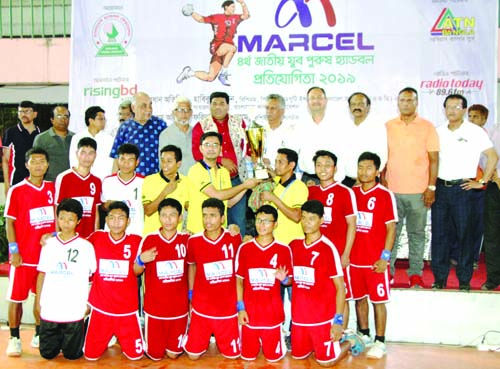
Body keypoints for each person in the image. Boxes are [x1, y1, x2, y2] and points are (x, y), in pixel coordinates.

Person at [431, 94, 498, 291]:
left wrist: (482, 181)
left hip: (464, 189)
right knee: (440, 235)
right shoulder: (437, 132)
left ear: (464, 110)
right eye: (448, 107)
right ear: (444, 109)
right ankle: (439, 278)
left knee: (465, 236)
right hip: (441, 188)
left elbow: (493, 156)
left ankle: (464, 279)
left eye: (456, 107)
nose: (452, 110)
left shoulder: (475, 131)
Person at [290, 200, 364, 366]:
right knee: (298, 357)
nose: (306, 223)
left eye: (311, 218)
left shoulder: (328, 249)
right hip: (300, 319)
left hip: (322, 319)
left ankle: (349, 341)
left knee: (325, 363)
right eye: (304, 218)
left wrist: (337, 322)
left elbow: (341, 288)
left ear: (321, 221)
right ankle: (320, 344)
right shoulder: (294, 246)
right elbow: (289, 280)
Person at [4, 147, 56, 357]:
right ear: (26, 165)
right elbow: (9, 223)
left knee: (41, 299)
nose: (38, 165)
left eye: (42, 161)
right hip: (23, 258)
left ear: (47, 164)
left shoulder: (52, 188)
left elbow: (58, 219)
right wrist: (14, 251)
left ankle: (38, 333)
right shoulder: (17, 190)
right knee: (16, 298)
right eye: (33, 161)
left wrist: (52, 234)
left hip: (45, 258)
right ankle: (14, 338)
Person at [385, 87, 439, 288]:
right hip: (392, 192)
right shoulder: (389, 126)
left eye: (410, 100)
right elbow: (383, 158)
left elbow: (434, 159)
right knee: (391, 235)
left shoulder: (427, 127)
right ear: (398, 102)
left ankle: (415, 273)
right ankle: (387, 272)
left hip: (419, 192)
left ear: (417, 103)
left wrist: (431, 187)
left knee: (417, 234)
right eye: (402, 100)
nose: (406, 104)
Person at [84, 201, 146, 360]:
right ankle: (106, 335)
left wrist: (140, 261)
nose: (116, 222)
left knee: (136, 356)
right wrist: (54, 236)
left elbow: (138, 271)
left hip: (127, 309)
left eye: (121, 218)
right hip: (100, 309)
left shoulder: (137, 241)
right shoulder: (96, 237)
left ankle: (117, 335)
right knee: (90, 356)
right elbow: (74, 243)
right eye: (112, 218)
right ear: (106, 220)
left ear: (128, 221)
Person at [35, 198, 96, 360]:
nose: (66, 223)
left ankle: (83, 331)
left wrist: (88, 303)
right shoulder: (48, 244)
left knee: (72, 355)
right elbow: (42, 274)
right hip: (51, 306)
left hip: (74, 308)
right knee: (47, 354)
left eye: (71, 219)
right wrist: (38, 301)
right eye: (62, 218)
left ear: (78, 221)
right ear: (57, 219)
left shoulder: (86, 246)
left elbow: (93, 278)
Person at [351, 152, 397, 359]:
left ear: (377, 171)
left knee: (378, 301)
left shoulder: (385, 195)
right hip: (355, 260)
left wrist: (384, 257)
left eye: (368, 168)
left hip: (375, 261)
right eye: (360, 167)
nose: (364, 172)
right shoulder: (352, 193)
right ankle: (365, 334)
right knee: (359, 299)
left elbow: (391, 229)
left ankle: (380, 340)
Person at [184, 198, 242, 359]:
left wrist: (240, 303)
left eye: (212, 215)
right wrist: (191, 293)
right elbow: (192, 266)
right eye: (204, 215)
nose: (207, 220)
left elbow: (240, 272)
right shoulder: (194, 241)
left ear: (223, 218)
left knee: (232, 357)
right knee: (192, 356)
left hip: (227, 307)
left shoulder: (234, 237)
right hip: (202, 306)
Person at [235, 205, 292, 362]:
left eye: (267, 221)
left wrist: (285, 279)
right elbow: (239, 280)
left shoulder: (283, 249)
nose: (262, 224)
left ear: (275, 224)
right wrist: (241, 309)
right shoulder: (245, 248)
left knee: (274, 359)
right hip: (249, 315)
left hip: (272, 315)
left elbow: (290, 281)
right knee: (247, 358)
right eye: (259, 220)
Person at [308, 150, 357, 329]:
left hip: (338, 254)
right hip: (316, 254)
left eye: (327, 165)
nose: (323, 169)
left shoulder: (345, 192)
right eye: (319, 165)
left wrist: (346, 254)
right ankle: (320, 329)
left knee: (342, 294)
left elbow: (352, 225)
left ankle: (341, 332)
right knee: (319, 291)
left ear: (335, 168)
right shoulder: (311, 191)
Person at [191, 91, 250, 236]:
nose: (218, 107)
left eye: (222, 103)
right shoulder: (201, 126)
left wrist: (251, 176)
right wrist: (220, 160)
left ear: (228, 106)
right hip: (212, 179)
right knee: (214, 224)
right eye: (214, 104)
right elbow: (196, 153)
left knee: (238, 223)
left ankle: (236, 256)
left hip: (237, 179)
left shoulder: (239, 122)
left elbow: (248, 147)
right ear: (209, 106)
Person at [139, 198, 190, 360]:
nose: (168, 219)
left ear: (180, 217)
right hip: (155, 309)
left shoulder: (187, 240)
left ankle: (188, 336)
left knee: (173, 354)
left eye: (173, 215)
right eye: (164, 215)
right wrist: (141, 260)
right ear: (159, 217)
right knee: (155, 356)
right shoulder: (149, 239)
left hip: (179, 308)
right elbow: (135, 271)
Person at [187, 131, 259, 234]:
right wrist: (244, 185)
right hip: (198, 231)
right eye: (207, 145)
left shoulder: (224, 171)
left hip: (219, 232)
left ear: (220, 149)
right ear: (201, 149)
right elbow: (217, 196)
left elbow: (229, 203)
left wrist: (247, 186)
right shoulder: (196, 170)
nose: (211, 148)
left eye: (215, 145)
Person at [177, 0, 250, 86]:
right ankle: (223, 73)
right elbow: (201, 19)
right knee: (232, 48)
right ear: (226, 7)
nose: (234, 9)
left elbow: (246, 16)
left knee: (210, 77)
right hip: (217, 46)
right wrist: (192, 13)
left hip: (225, 51)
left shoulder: (235, 18)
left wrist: (242, 3)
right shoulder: (216, 17)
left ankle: (189, 73)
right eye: (232, 7)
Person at [109, 92, 167, 176]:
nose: (149, 109)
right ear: (133, 108)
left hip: (155, 180)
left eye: (150, 105)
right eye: (144, 106)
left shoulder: (160, 125)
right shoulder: (124, 127)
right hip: (131, 181)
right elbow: (116, 158)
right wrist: (113, 181)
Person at [295, 87, 344, 185]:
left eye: (319, 97)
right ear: (308, 102)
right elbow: (295, 154)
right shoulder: (300, 126)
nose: (316, 101)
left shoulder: (337, 125)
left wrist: (337, 180)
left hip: (331, 179)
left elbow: (342, 154)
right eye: (312, 98)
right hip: (306, 179)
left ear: (325, 101)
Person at [55, 137, 102, 238]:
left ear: (95, 155)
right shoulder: (64, 178)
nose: (87, 157)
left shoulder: (97, 181)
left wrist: (96, 236)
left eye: (91, 153)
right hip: (68, 236)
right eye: (83, 152)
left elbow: (96, 212)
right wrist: (58, 235)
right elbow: (57, 208)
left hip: (88, 237)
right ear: (77, 154)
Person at [260, 148, 308, 245]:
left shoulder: (299, 186)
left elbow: (296, 216)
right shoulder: (276, 183)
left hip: (292, 243)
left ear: (291, 165)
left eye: (280, 162)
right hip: (274, 242)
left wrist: (273, 198)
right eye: (276, 162)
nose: (276, 166)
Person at [142, 145, 192, 235]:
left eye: (169, 161)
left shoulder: (186, 181)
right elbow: (148, 211)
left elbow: (190, 209)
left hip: (175, 238)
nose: (165, 164)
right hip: (152, 237)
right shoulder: (149, 180)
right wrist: (165, 192)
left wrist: (188, 229)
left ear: (178, 164)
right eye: (162, 160)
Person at [341, 92, 387, 187]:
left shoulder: (377, 127)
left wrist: (364, 178)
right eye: (353, 104)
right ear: (349, 107)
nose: (356, 107)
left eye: (360, 104)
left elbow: (382, 156)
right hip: (346, 181)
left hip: (368, 181)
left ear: (368, 107)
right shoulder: (345, 128)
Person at [101, 143, 144, 236]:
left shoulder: (144, 182)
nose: (126, 164)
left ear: (137, 162)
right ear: (117, 160)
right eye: (122, 159)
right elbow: (103, 206)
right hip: (112, 234)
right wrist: (107, 205)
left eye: (130, 160)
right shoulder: (108, 181)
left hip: (136, 232)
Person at [2, 100, 41, 194]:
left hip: (37, 180)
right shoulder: (11, 132)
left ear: (35, 114)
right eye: (20, 111)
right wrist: (7, 185)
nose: (23, 114)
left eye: (27, 111)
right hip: (16, 180)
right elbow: (5, 160)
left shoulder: (41, 133)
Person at [69, 106, 114, 180]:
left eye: (104, 119)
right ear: (90, 120)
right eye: (100, 119)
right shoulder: (77, 137)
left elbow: (112, 162)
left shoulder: (109, 139)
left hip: (104, 179)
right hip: (82, 178)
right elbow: (73, 160)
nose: (103, 121)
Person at [32, 105, 74, 181]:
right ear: (52, 119)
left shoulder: (75, 138)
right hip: (50, 181)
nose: (63, 119)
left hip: (71, 182)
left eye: (66, 116)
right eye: (59, 116)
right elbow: (36, 163)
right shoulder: (41, 138)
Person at [482, 123, 500, 291]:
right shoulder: (495, 129)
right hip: (495, 186)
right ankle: (493, 277)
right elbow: (485, 157)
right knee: (492, 235)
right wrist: (494, 175)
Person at [158, 97, 196, 176]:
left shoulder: (196, 132)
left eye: (187, 110)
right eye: (180, 110)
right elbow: (163, 163)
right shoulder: (166, 134)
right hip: (175, 181)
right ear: (173, 113)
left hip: (195, 181)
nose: (183, 114)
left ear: (191, 113)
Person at [261, 94, 298, 170]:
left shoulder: (291, 132)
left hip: (282, 177)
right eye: (267, 108)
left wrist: (270, 162)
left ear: (282, 111)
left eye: (273, 108)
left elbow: (292, 158)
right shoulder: (259, 130)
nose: (269, 111)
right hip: (261, 175)